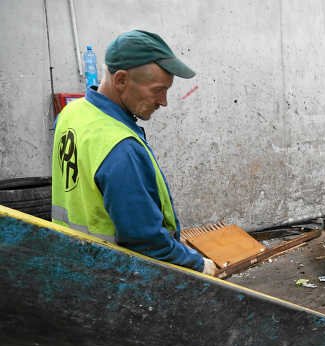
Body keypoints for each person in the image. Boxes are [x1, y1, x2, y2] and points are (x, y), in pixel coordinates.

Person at [51, 29, 216, 275]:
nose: (163, 101)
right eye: (158, 90)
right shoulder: (120, 147)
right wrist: (198, 264)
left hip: (74, 265)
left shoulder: (72, 114)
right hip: (115, 278)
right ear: (121, 80)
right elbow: (145, 241)